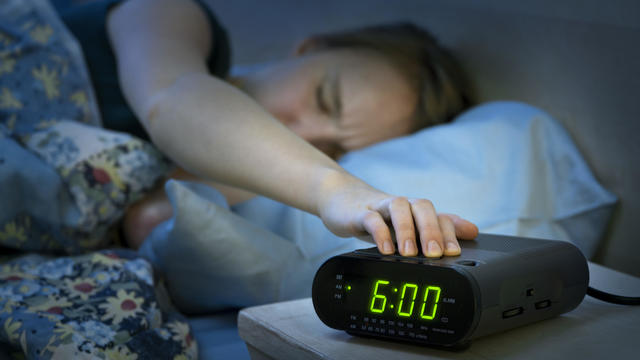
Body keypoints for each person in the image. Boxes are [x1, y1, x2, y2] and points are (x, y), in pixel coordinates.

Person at [64, 0, 479, 258]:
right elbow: (170, 97)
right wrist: (335, 188)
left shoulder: (250, 177)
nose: (305, 133)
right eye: (324, 98)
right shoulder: (174, 14)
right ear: (310, 48)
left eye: (330, 148)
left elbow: (144, 220)